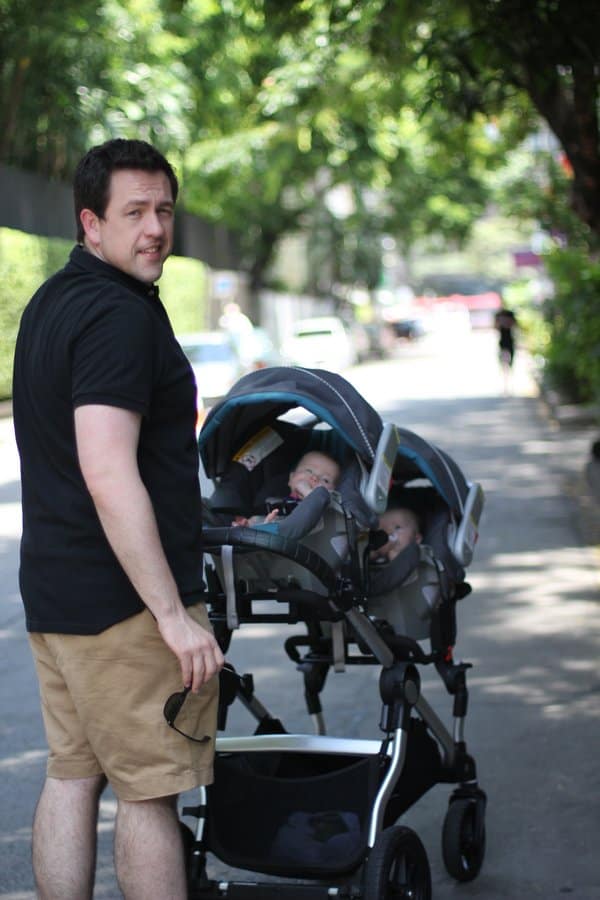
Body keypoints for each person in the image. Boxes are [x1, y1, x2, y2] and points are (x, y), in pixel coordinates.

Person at [12, 138, 224, 900]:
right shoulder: (116, 317)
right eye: (133, 212)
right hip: (126, 608)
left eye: (163, 210)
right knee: (149, 792)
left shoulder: (50, 302)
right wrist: (172, 614)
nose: (155, 229)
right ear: (90, 223)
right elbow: (107, 472)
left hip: (57, 598)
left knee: (72, 775)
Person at [232, 450, 341, 539]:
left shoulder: (327, 513)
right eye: (309, 470)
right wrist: (247, 525)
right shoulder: (272, 503)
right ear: (291, 478)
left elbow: (315, 514)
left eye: (326, 480)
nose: (315, 478)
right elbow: (256, 523)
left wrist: (313, 495)